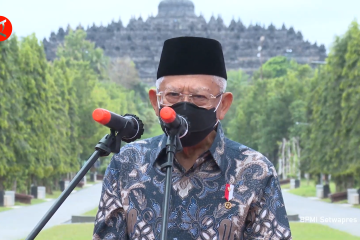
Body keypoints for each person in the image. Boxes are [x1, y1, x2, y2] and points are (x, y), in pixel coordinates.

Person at [93, 37, 292, 240]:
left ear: (223, 105)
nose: (185, 107)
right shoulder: (127, 163)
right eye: (173, 95)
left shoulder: (254, 170)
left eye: (199, 97)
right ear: (156, 101)